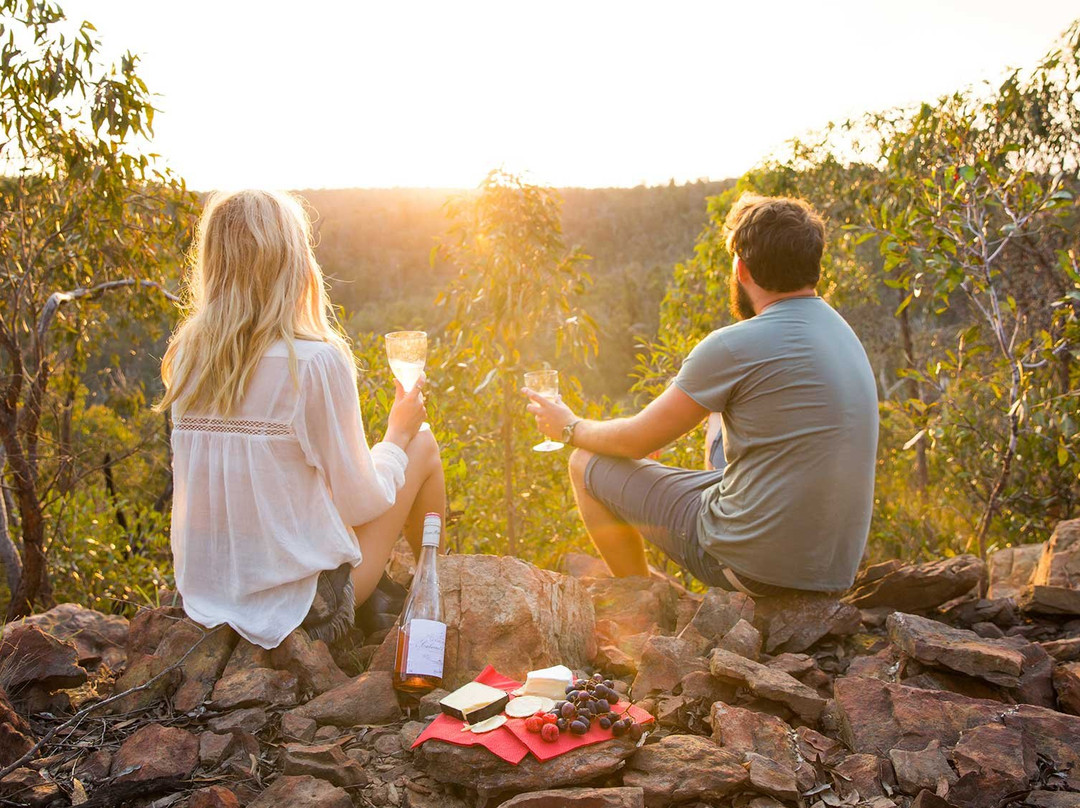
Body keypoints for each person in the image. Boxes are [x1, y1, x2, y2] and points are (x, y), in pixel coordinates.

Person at [524, 193, 879, 596]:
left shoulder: (734, 344)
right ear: (813, 266)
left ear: (741, 269)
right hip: (831, 573)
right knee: (716, 419)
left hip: (752, 566)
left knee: (583, 462)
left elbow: (637, 439)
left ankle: (641, 597)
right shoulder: (844, 335)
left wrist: (568, 426)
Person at [153, 189, 445, 649]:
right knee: (422, 445)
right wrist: (396, 432)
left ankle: (399, 599)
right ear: (293, 261)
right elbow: (360, 502)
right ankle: (432, 605)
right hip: (304, 613)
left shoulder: (188, 358)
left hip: (208, 601)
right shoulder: (311, 361)